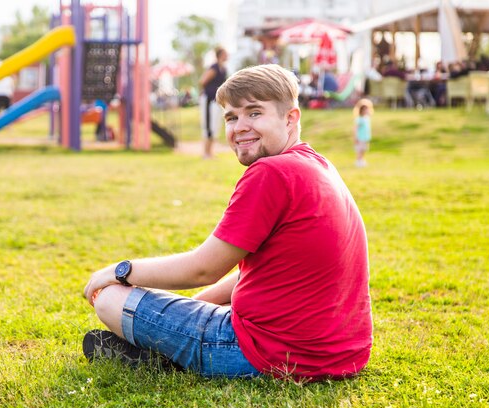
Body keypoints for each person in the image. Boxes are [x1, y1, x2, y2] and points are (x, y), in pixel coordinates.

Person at [82, 64, 373, 382]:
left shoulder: (270, 173)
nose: (240, 127)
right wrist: (186, 309)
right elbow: (269, 272)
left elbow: (202, 268)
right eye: (232, 117)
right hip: (342, 354)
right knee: (170, 309)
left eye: (254, 113)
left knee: (110, 297)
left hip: (268, 353)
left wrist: (118, 271)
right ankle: (163, 349)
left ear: (290, 118)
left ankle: (163, 355)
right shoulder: (318, 164)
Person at [198, 46, 228, 159]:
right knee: (208, 125)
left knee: (215, 125)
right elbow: (203, 81)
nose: (227, 56)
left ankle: (210, 152)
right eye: (225, 53)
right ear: (220, 55)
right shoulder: (214, 68)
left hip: (216, 101)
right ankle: (205, 152)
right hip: (208, 100)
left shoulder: (223, 69)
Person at [353, 98, 373, 167]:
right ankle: (358, 161)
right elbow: (355, 129)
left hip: (365, 137)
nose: (366, 111)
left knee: (364, 149)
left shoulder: (367, 118)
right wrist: (355, 138)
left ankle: (362, 160)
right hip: (360, 137)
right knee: (360, 150)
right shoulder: (359, 119)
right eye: (364, 109)